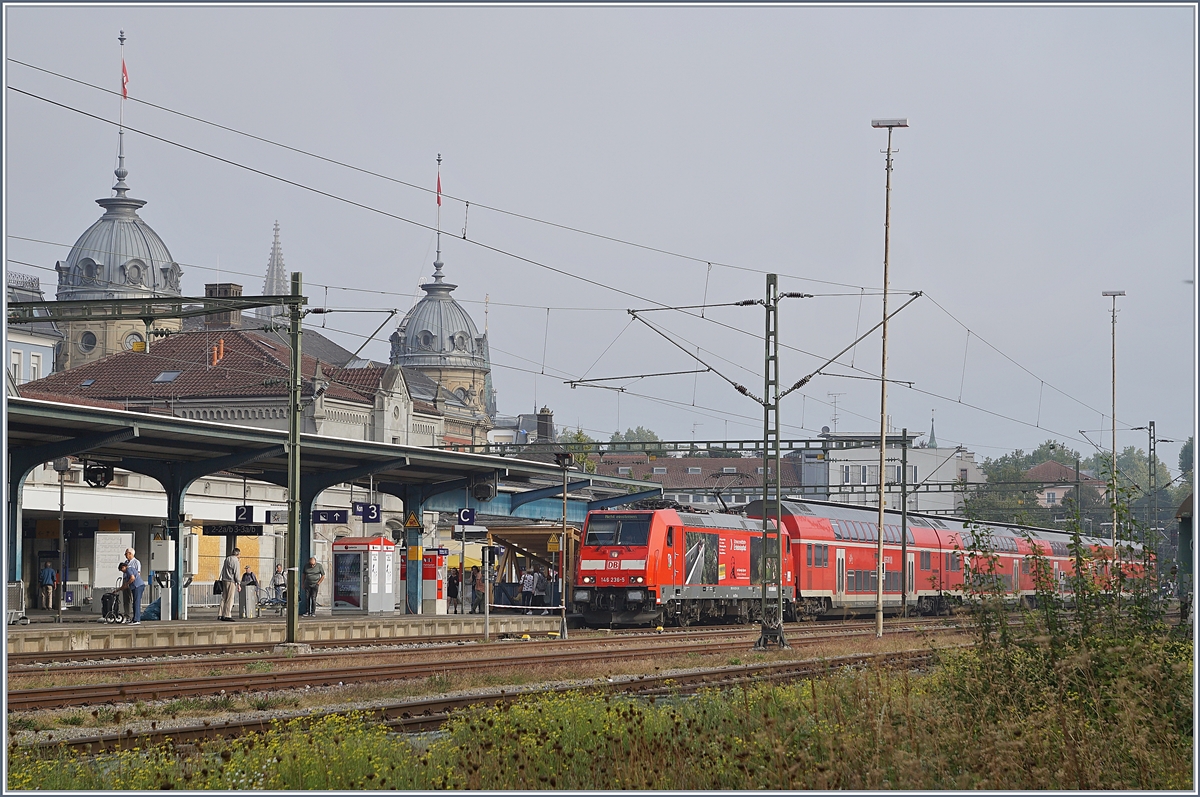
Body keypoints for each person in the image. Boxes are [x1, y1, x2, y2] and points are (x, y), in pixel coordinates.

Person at [123, 547, 146, 625]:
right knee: (128, 600)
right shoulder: (126, 562)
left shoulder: (136, 562)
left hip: (135, 583)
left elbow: (136, 575)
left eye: (126, 553)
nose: (125, 555)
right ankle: (130, 617)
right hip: (129, 582)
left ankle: (136, 619)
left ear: (130, 554)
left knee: (136, 601)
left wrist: (128, 583)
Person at [217, 547, 241, 621]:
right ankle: (227, 615)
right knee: (230, 598)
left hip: (224, 579)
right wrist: (238, 583)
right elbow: (237, 573)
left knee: (224, 597)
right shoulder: (236, 561)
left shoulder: (227, 559)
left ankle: (220, 614)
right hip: (231, 581)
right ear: (238, 554)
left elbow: (223, 569)